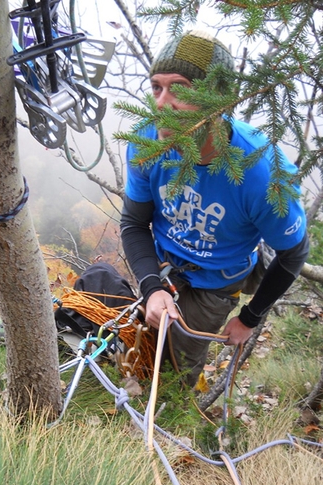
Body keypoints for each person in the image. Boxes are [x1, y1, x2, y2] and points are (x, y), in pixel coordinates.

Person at [120, 30, 309, 386]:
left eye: (179, 88)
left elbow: (294, 253)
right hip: (164, 263)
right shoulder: (146, 141)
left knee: (180, 369)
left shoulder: (260, 172)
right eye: (156, 87)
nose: (162, 103)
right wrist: (151, 287)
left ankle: (173, 426)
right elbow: (133, 222)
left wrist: (250, 318)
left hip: (217, 281)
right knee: (147, 343)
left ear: (218, 101)